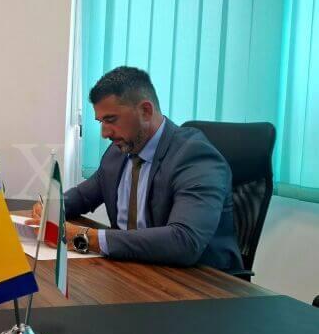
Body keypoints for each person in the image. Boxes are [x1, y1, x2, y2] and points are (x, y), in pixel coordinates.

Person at [30, 66, 243, 271]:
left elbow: (184, 241)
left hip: (199, 284)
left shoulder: (195, 156)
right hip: (133, 270)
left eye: (111, 120)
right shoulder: (119, 151)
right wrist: (52, 206)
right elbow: (84, 196)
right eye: (101, 122)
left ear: (145, 111)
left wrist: (85, 237)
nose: (104, 133)